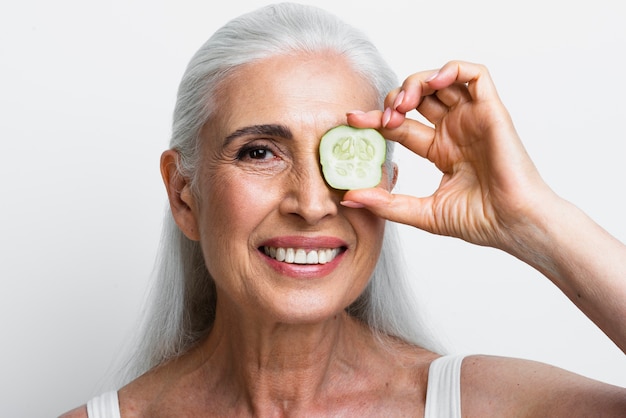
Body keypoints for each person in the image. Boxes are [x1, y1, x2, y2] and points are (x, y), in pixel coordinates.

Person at [60, 2, 626, 416]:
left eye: (346, 155)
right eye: (260, 152)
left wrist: (531, 219)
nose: (311, 204)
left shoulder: (485, 406)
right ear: (184, 194)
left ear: (388, 181)